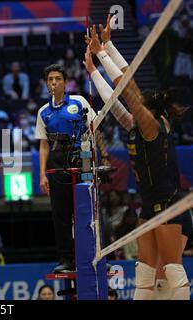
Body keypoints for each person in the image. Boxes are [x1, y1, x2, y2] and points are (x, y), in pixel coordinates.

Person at [84, 15, 192, 299]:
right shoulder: (136, 123)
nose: (136, 98)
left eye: (141, 101)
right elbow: (116, 100)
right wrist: (97, 64)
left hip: (170, 204)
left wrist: (103, 53)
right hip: (149, 204)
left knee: (170, 270)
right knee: (145, 274)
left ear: (150, 109)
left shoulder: (152, 125)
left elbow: (126, 88)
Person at [36, 64, 109, 273]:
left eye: (58, 78)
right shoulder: (43, 112)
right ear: (46, 83)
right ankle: (67, 260)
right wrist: (42, 174)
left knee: (89, 210)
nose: (53, 83)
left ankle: (100, 256)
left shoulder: (79, 101)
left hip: (82, 159)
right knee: (61, 214)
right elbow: (43, 145)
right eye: (50, 79)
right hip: (57, 162)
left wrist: (104, 155)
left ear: (65, 82)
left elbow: (95, 130)